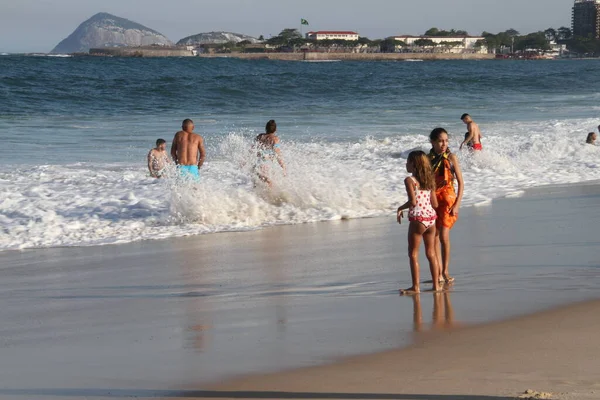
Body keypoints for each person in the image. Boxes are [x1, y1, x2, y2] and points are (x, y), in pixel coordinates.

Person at [397, 150, 442, 295]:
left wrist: (400, 208)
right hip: (431, 219)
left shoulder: (410, 181)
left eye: (408, 162)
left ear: (414, 165)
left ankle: (415, 287)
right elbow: (434, 204)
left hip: (418, 219)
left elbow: (413, 202)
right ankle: (436, 285)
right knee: (431, 253)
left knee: (413, 254)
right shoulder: (430, 181)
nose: (406, 164)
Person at [429, 128, 464, 284]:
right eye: (440, 141)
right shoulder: (427, 159)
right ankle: (437, 272)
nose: (444, 144)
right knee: (434, 237)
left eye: (446, 140)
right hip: (433, 200)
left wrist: (457, 204)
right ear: (433, 142)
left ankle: (445, 271)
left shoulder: (451, 158)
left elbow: (461, 183)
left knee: (443, 236)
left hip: (449, 200)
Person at [254, 120, 285, 186]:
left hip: (257, 164)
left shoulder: (259, 136)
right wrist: (283, 166)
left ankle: (252, 196)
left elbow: (252, 149)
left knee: (257, 184)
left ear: (266, 128)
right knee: (269, 183)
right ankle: (271, 196)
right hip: (266, 165)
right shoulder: (274, 139)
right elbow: (277, 153)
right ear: (275, 129)